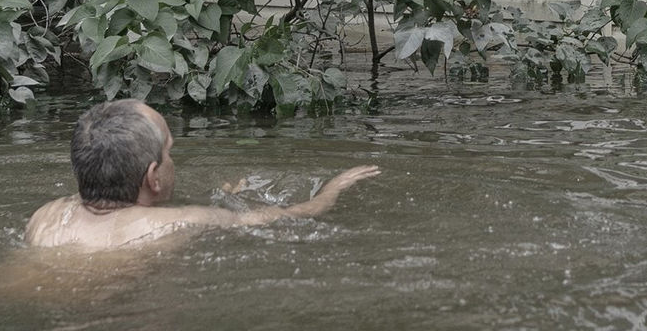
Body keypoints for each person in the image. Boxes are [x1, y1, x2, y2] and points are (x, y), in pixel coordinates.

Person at [25, 99, 380, 249]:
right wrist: (332, 188)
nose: (171, 157)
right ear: (154, 177)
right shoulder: (183, 221)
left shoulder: (47, 216)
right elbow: (290, 216)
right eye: (168, 151)